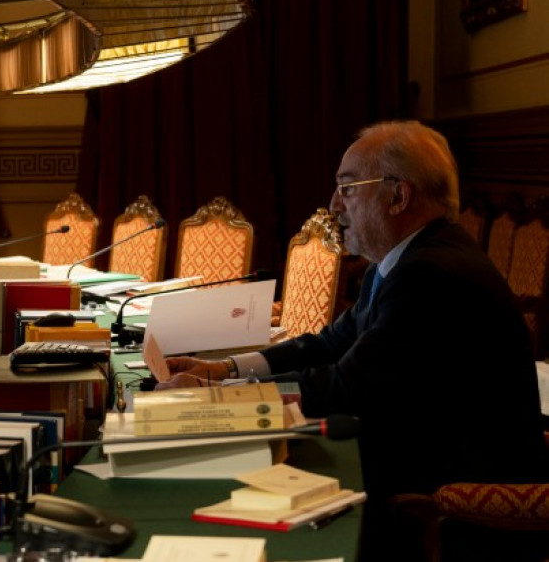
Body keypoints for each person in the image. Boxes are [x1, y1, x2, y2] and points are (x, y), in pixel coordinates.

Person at [153, 121, 545, 560]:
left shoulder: (431, 272)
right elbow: (327, 343)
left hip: (454, 480)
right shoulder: (397, 261)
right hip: (417, 445)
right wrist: (225, 370)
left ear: (399, 196)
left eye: (348, 187)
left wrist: (218, 398)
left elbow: (347, 387)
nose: (334, 204)